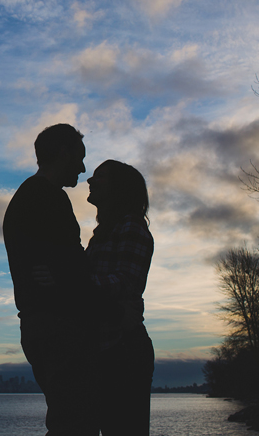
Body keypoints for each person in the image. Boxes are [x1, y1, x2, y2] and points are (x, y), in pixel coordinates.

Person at [2, 123, 98, 436]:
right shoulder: (46, 197)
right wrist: (68, 272)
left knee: (67, 420)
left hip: (39, 324)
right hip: (58, 325)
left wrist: (63, 270)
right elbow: (74, 264)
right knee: (74, 423)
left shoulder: (29, 196)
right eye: (79, 158)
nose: (83, 168)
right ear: (63, 153)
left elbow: (64, 263)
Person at [85, 160, 155, 436]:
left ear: (119, 188)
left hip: (124, 351)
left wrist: (72, 284)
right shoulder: (103, 234)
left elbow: (126, 282)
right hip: (104, 350)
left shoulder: (132, 226)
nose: (90, 181)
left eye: (99, 177)